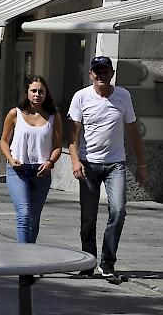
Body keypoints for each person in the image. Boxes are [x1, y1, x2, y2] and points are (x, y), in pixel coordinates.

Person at [68, 56, 147, 281]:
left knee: (119, 211)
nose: (101, 75)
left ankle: (108, 262)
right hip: (89, 164)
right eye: (97, 72)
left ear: (112, 73)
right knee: (88, 217)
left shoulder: (123, 95)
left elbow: (132, 131)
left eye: (105, 72)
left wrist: (141, 164)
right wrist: (75, 161)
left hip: (116, 164)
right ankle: (88, 262)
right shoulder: (81, 97)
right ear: (91, 74)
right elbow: (72, 136)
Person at [0, 76, 63, 243]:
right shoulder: (15, 113)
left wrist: (50, 162)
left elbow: (57, 147)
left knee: (34, 218)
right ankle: (23, 258)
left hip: (41, 172)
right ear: (27, 93)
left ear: (46, 94)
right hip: (18, 170)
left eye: (41, 91)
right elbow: (4, 141)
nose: (37, 94)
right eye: (33, 91)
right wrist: (10, 158)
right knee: (24, 214)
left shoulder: (53, 116)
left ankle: (31, 256)